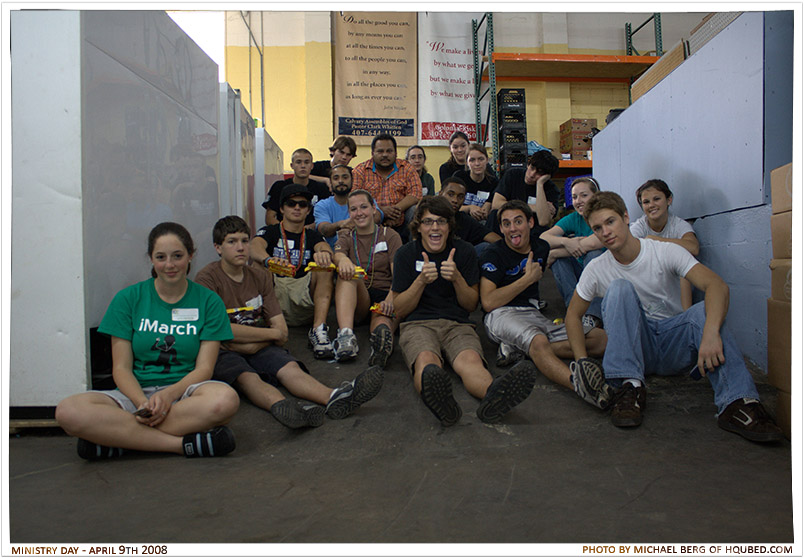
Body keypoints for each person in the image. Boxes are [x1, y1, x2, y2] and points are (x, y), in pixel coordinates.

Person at [565, 191, 782, 442]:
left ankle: (738, 403)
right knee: (619, 288)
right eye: (597, 228)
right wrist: (581, 360)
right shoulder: (597, 268)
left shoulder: (663, 251)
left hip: (673, 341)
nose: (605, 232)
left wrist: (710, 334)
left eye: (610, 222)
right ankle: (629, 388)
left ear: (625, 217)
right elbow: (573, 315)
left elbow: (717, 286)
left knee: (702, 311)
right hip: (637, 346)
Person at [55, 222, 240, 460]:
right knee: (68, 412)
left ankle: (117, 440)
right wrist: (142, 403)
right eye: (161, 257)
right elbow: (120, 368)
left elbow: (204, 368)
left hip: (184, 395)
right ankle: (181, 445)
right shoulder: (128, 299)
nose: (170, 265)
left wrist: (169, 395)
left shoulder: (209, 301)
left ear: (191, 255)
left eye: (177, 256)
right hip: (135, 394)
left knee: (225, 401)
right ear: (151, 259)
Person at [195, 216, 383, 428]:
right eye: (232, 242)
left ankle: (335, 397)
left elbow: (281, 331)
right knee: (247, 377)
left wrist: (255, 339)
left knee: (290, 368)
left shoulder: (259, 277)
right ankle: (286, 408)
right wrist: (267, 335)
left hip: (258, 344)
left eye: (244, 241)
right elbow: (219, 331)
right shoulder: (206, 279)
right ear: (218, 248)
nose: (240, 248)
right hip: (223, 351)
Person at [391, 196, 536, 426]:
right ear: (418, 226)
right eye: (428, 222)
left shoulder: (465, 251)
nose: (435, 227)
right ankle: (442, 404)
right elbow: (399, 309)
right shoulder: (405, 254)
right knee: (427, 363)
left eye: (441, 221)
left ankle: (494, 397)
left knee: (470, 362)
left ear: (450, 226)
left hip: (458, 324)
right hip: (418, 324)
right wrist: (420, 282)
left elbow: (470, 305)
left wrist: (457, 278)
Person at [479, 201, 611, 407]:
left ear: (530, 223)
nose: (512, 228)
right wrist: (527, 280)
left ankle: (519, 349)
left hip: (534, 314)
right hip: (501, 315)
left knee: (600, 339)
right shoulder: (493, 254)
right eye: (506, 224)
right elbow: (488, 302)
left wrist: (570, 244)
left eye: (518, 221)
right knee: (538, 342)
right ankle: (581, 385)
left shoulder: (540, 246)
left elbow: (559, 250)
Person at [250, 184, 336, 359]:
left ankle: (318, 330)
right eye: (291, 203)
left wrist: (324, 254)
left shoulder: (312, 235)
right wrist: (268, 260)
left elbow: (324, 247)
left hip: (303, 298)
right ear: (282, 208)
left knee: (326, 267)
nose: (297, 207)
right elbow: (254, 246)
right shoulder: (270, 231)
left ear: (308, 211)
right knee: (257, 266)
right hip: (274, 300)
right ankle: (257, 323)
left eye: (302, 204)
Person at [331, 189, 402, 366]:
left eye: (364, 207)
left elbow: (399, 277)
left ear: (373, 209)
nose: (359, 213)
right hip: (359, 296)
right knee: (348, 274)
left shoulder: (390, 235)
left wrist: (390, 300)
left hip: (385, 294)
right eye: (354, 209)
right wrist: (344, 260)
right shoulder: (346, 236)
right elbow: (337, 255)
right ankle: (346, 335)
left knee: (382, 321)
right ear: (349, 213)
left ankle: (381, 346)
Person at [540, 177, 605, 325]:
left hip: (605, 282)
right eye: (575, 197)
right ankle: (574, 311)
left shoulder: (604, 216)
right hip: (581, 272)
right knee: (559, 260)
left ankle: (593, 316)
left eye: (584, 195)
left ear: (596, 196)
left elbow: (594, 243)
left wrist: (556, 252)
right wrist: (566, 242)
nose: (578, 201)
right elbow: (544, 238)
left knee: (593, 255)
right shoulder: (574, 218)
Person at [631, 179, 700, 310]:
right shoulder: (639, 226)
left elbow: (694, 247)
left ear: (669, 200)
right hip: (648, 275)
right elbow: (629, 250)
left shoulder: (678, 225)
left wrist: (654, 240)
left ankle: (685, 316)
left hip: (672, 277)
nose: (651, 205)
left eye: (656, 199)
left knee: (684, 260)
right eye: (646, 202)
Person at [352, 133, 422, 239]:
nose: (385, 155)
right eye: (380, 151)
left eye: (389, 151)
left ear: (396, 153)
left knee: (415, 210)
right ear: (372, 153)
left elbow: (416, 194)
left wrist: (395, 210)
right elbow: (354, 198)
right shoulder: (360, 171)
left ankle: (413, 249)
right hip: (371, 219)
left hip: (402, 220)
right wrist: (381, 211)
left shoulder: (407, 168)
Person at [489, 150, 560, 237]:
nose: (532, 174)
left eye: (539, 173)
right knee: (494, 215)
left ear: (547, 177)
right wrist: (533, 208)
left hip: (530, 230)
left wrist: (540, 184)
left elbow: (543, 221)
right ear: (528, 164)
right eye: (532, 168)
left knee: (542, 231)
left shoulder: (551, 189)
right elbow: (496, 204)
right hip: (509, 223)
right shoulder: (513, 174)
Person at [313, 164, 383, 248]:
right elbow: (324, 230)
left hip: (367, 252)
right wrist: (340, 224)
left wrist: (354, 224)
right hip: (335, 253)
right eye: (336, 178)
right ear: (330, 183)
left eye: (345, 177)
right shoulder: (322, 205)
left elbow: (377, 217)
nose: (341, 181)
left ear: (352, 181)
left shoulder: (365, 198)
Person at [262, 148, 331, 226]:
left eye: (306, 162)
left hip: (312, 234)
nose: (303, 166)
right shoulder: (279, 187)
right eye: (298, 162)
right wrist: (286, 231)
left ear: (312, 166)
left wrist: (307, 230)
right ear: (292, 165)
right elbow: (270, 217)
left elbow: (328, 217)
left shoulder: (321, 189)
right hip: (283, 235)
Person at [439, 176, 501, 256]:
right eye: (450, 194)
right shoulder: (430, 214)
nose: (455, 200)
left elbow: (491, 236)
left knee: (485, 247)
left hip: (460, 261)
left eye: (460, 197)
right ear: (440, 194)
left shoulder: (464, 219)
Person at [452, 143, 497, 222]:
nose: (477, 163)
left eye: (481, 159)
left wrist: (489, 205)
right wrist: (469, 208)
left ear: (487, 160)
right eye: (472, 160)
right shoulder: (459, 177)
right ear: (466, 162)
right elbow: (449, 205)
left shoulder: (494, 182)